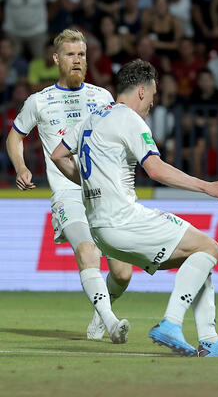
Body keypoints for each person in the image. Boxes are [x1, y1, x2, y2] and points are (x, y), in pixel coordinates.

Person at [50, 59, 218, 357]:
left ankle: (209, 341)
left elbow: (58, 154)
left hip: (100, 229)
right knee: (210, 247)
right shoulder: (129, 119)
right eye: (153, 97)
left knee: (197, 258)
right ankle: (171, 324)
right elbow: (155, 169)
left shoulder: (92, 118)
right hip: (124, 219)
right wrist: (206, 186)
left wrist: (89, 183)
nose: (152, 104)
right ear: (141, 91)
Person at [6, 29, 133, 343]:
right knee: (87, 250)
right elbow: (14, 136)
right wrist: (21, 167)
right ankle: (112, 323)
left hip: (102, 194)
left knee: (122, 273)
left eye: (82, 55)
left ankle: (100, 314)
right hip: (67, 193)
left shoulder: (102, 97)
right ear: (56, 59)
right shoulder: (39, 101)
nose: (77, 60)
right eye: (70, 54)